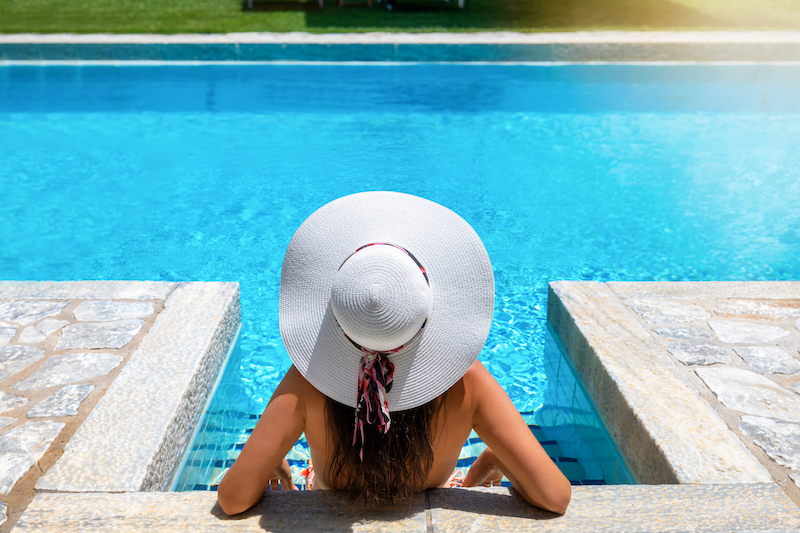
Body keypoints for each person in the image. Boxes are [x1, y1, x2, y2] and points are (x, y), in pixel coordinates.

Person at [217, 191, 571, 516]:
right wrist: (493, 462)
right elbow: (554, 497)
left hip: (329, 493)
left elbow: (233, 499)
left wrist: (273, 460)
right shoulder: (468, 382)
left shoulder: (308, 381)